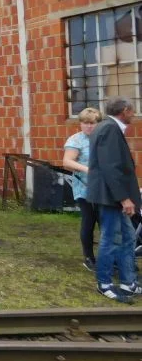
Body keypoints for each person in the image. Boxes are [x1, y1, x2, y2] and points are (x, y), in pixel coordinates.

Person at [86, 96, 141, 303]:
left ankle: (128, 282)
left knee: (128, 238)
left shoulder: (106, 127)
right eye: (132, 110)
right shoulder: (109, 128)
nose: (134, 114)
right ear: (125, 110)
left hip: (113, 195)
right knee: (110, 239)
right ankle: (105, 283)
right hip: (110, 196)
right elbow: (111, 167)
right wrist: (124, 198)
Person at [62, 107, 103, 272]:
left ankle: (109, 257)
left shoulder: (103, 138)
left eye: (92, 123)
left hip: (104, 188)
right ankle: (88, 257)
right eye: (85, 123)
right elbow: (67, 162)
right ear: (80, 124)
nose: (88, 126)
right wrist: (88, 170)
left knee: (105, 222)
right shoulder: (75, 140)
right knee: (89, 220)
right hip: (84, 188)